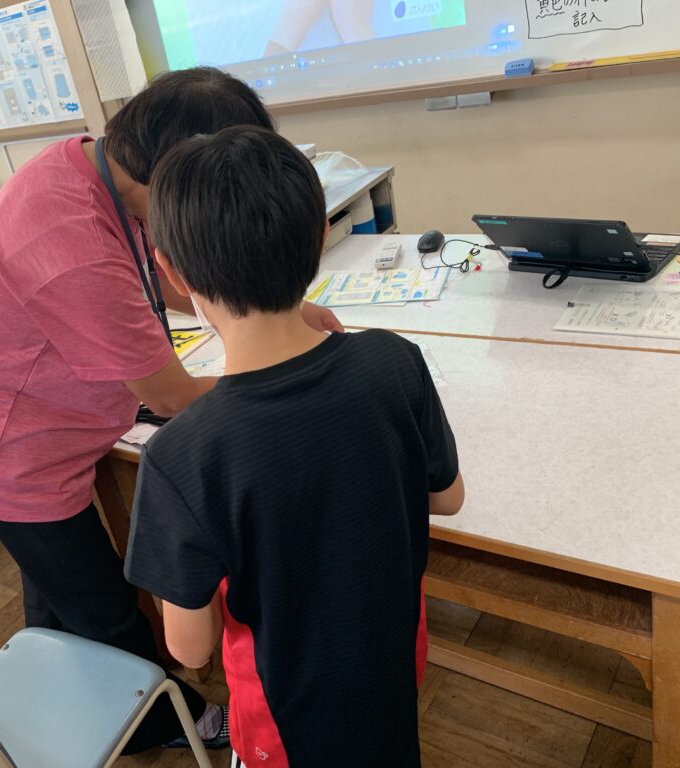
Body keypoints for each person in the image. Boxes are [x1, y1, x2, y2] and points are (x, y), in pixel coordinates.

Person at [0, 67, 342, 754]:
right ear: (175, 175)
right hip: (13, 456)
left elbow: (176, 271)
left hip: (43, 430)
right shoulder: (71, 241)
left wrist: (280, 310)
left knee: (54, 600)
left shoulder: (95, 168)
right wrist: (289, 368)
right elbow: (173, 396)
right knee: (104, 609)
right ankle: (159, 722)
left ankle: (67, 689)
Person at [125, 126, 465, 767]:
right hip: (393, 656)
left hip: (282, 717)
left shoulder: (181, 456)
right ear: (320, 237)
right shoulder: (393, 359)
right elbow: (446, 498)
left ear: (171, 271)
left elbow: (190, 649)